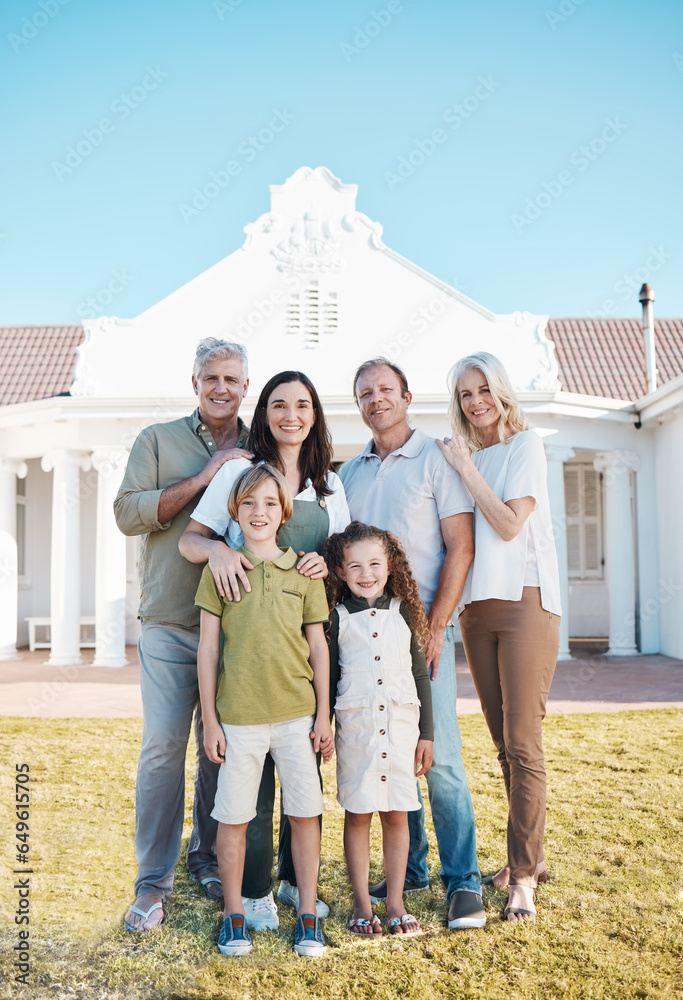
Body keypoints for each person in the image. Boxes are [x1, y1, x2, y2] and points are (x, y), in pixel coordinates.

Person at [179, 370, 349, 929]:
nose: (291, 415)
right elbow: (190, 539)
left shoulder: (329, 486)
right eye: (279, 404)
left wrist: (328, 565)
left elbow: (348, 557)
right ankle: (250, 891)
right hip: (246, 644)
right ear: (265, 411)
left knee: (303, 776)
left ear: (315, 414)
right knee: (250, 782)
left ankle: (297, 886)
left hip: (306, 636)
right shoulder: (238, 470)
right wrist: (219, 555)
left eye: (303, 404)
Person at [339, 358, 485, 931]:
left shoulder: (435, 459)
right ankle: (415, 868)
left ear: (406, 395)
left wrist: (437, 625)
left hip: (421, 633)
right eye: (365, 393)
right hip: (366, 638)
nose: (376, 399)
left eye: (385, 390)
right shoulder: (350, 473)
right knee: (393, 752)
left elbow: (461, 546)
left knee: (439, 756)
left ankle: (463, 881)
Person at [114, 338, 252, 932]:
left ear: (246, 385)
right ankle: (152, 884)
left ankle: (208, 859)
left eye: (231, 378)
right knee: (165, 749)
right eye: (210, 378)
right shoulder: (156, 440)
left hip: (239, 624)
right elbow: (127, 513)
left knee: (221, 752)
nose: (221, 387)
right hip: (170, 621)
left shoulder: (263, 443)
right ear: (194, 381)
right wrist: (205, 477)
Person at [437, 351, 561, 921]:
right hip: (476, 611)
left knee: (522, 743)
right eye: (465, 393)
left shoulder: (524, 447)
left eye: (483, 388)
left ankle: (523, 881)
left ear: (501, 390)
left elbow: (510, 525)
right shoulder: (468, 455)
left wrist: (465, 470)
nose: (476, 400)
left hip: (524, 605)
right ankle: (525, 858)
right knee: (503, 748)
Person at [196, 463, 333, 957]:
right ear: (235, 510)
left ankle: (308, 914)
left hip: (298, 717)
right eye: (249, 503)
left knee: (304, 814)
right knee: (233, 817)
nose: (259, 512)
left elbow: (318, 649)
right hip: (238, 721)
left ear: (284, 512)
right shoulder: (222, 570)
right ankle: (234, 914)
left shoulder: (304, 572)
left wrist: (322, 717)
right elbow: (208, 650)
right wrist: (211, 720)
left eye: (270, 503)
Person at [323, 521, 434, 937]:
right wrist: (326, 726)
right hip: (357, 730)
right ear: (340, 571)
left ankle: (395, 902)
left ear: (389, 567)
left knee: (397, 814)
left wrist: (428, 733)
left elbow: (421, 675)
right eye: (355, 566)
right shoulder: (335, 619)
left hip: (402, 728)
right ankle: (361, 903)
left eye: (374, 564)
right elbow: (330, 677)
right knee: (358, 814)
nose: (366, 573)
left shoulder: (403, 611)